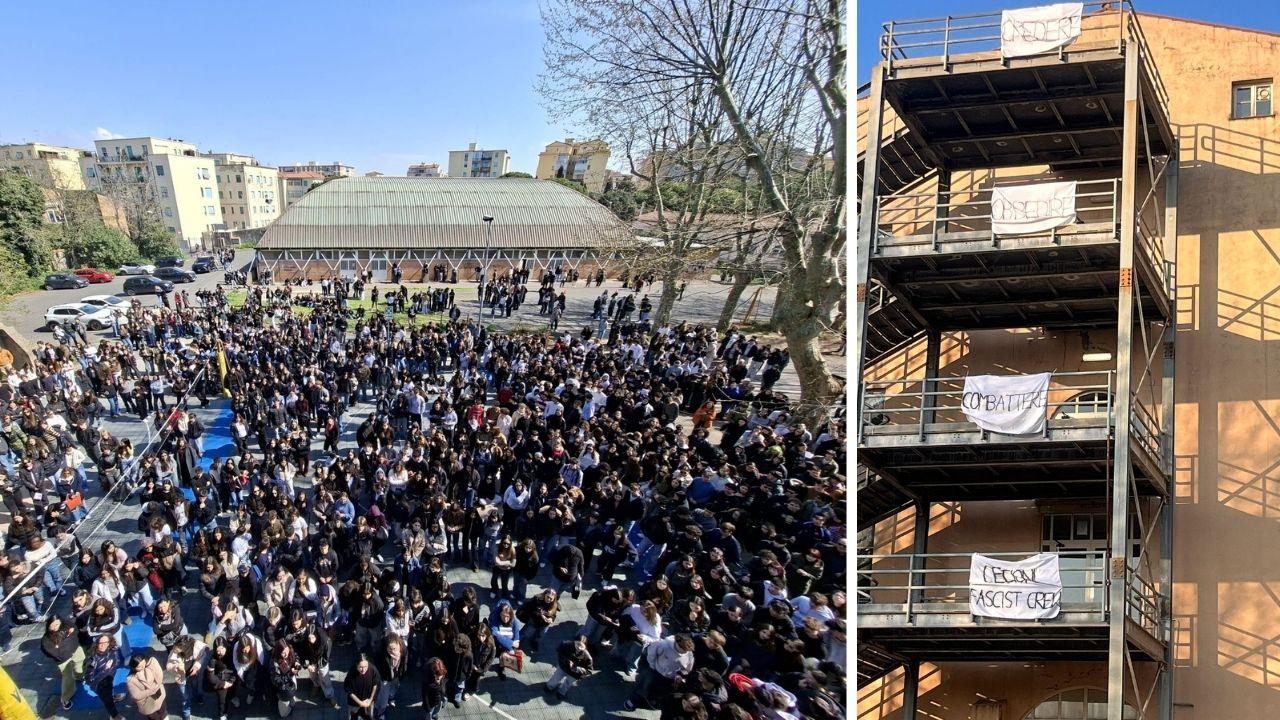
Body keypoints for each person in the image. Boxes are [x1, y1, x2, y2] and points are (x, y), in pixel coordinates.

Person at [41, 616, 84, 711]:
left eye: (57, 624)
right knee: (68, 678)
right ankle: (65, 698)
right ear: (48, 626)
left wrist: (60, 645)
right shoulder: (46, 640)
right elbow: (53, 652)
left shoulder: (66, 625)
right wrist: (68, 640)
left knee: (79, 663)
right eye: (53, 625)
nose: (56, 627)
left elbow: (75, 632)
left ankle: (79, 676)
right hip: (63, 660)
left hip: (76, 650)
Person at [166, 634, 208, 720]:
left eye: (178, 647)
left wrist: (196, 666)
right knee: (184, 697)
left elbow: (204, 654)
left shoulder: (197, 646)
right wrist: (176, 668)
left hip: (193, 673)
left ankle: (198, 696)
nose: (174, 649)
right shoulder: (173, 653)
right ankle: (186, 714)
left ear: (186, 647)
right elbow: (168, 666)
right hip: (181, 678)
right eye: (175, 646)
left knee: (196, 685)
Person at [544, 634, 593, 700]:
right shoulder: (566, 644)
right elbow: (560, 652)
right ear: (574, 642)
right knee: (556, 677)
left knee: (568, 683)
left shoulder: (588, 657)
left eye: (582, 646)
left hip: (575, 673)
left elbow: (589, 671)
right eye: (578, 644)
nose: (579, 648)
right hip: (564, 666)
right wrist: (566, 661)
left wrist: (576, 668)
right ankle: (550, 687)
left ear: (585, 646)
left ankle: (561, 692)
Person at [126, 654, 167, 720]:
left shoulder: (150, 666)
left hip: (159, 697)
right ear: (133, 667)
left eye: (143, 664)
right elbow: (136, 695)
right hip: (147, 704)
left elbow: (159, 675)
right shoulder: (131, 679)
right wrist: (151, 691)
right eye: (139, 666)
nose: (142, 667)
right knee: (154, 717)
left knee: (163, 711)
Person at [343, 654, 381, 720]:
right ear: (356, 665)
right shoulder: (351, 673)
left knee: (369, 716)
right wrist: (360, 703)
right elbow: (349, 691)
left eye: (365, 666)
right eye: (360, 667)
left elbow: (376, 685)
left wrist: (370, 700)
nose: (363, 670)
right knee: (352, 716)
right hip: (355, 702)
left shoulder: (373, 669)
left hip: (369, 700)